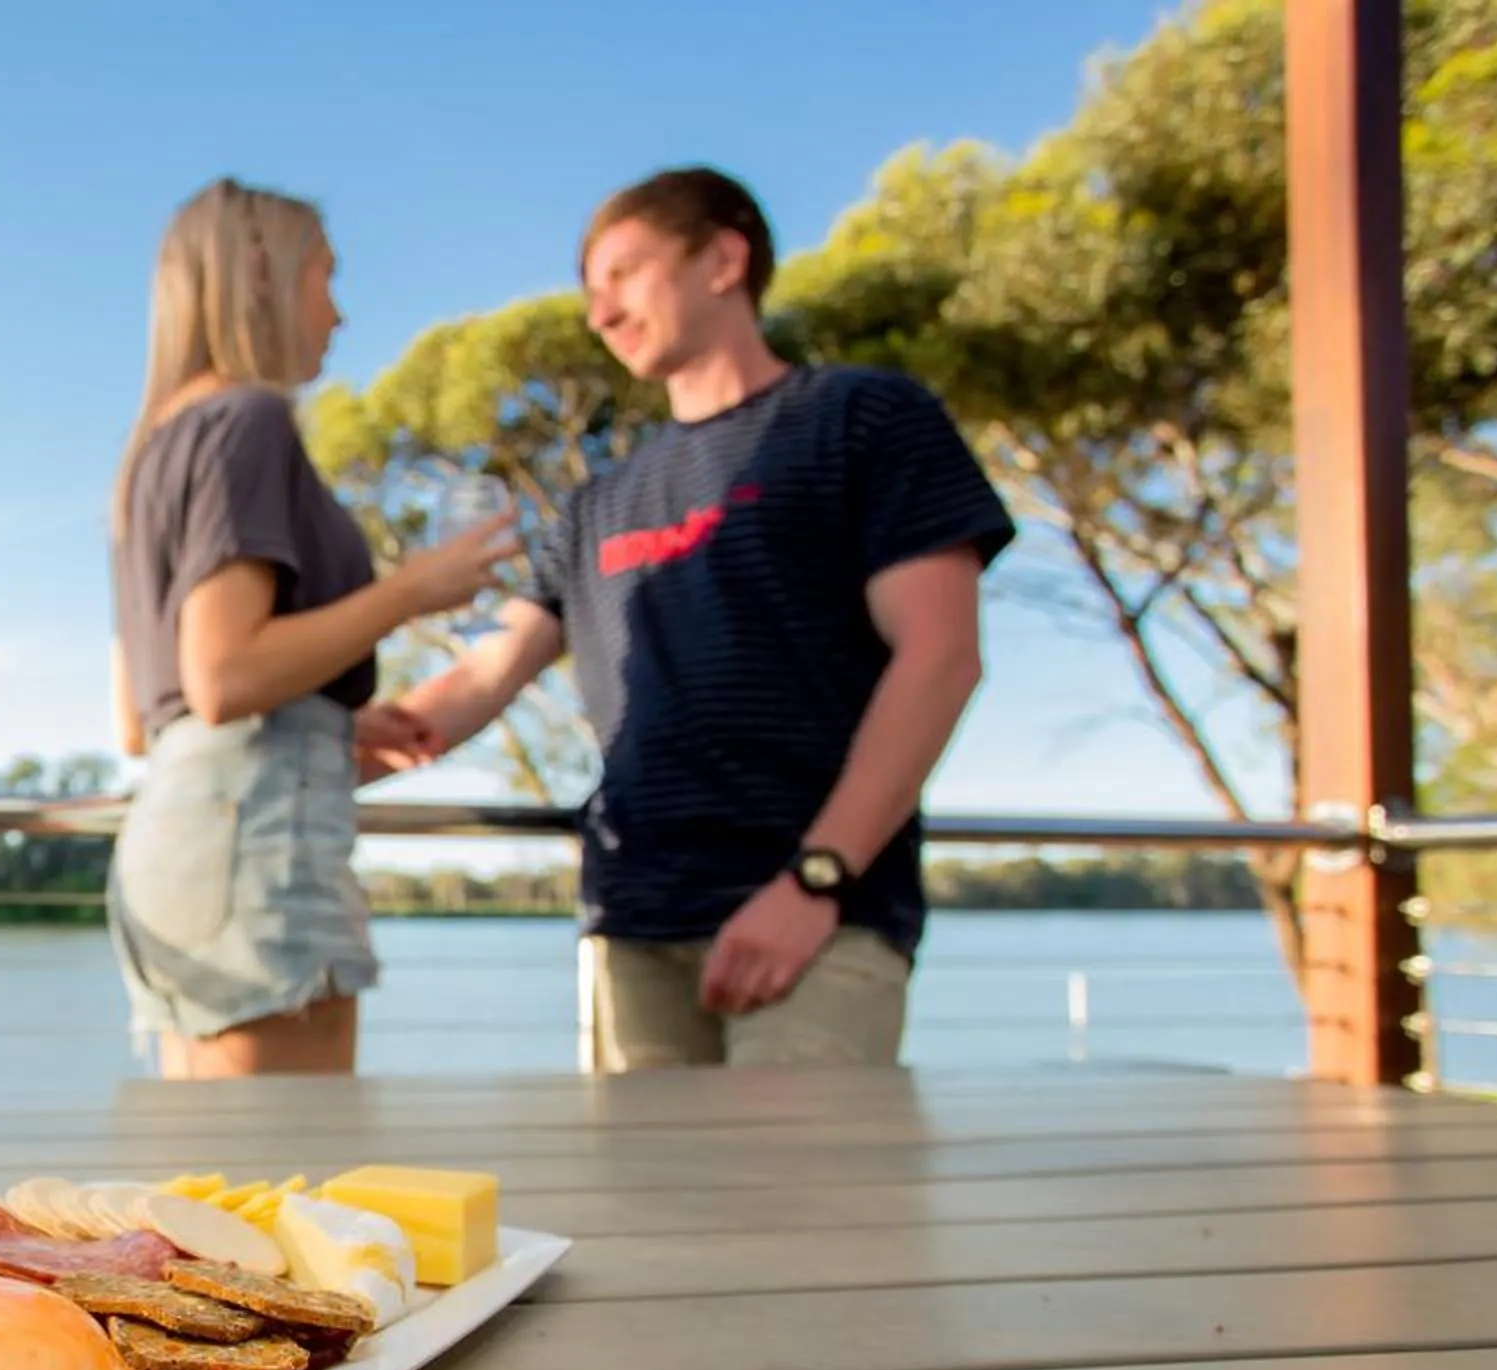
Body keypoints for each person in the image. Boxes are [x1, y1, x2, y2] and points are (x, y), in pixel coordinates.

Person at [399, 166, 1015, 1070]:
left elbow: (942, 656)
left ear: (723, 259)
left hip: (818, 924)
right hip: (631, 929)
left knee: (798, 1212)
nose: (599, 313)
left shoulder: (862, 420)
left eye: (624, 274)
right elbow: (479, 683)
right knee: (648, 1213)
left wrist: (815, 881)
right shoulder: (596, 503)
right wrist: (291, 736)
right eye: (589, 291)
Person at [105, 177, 516, 1079]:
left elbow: (145, 716)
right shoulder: (248, 421)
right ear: (260, 273)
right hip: (257, 849)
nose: (337, 313)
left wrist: (332, 716)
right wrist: (415, 589)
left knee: (207, 1196)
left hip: (182, 841)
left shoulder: (151, 451)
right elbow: (223, 676)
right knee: (282, 1191)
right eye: (325, 277)